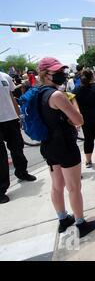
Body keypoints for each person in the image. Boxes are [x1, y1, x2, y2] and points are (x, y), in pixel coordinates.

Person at [37, 57, 95, 237]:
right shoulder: (57, 95)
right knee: (74, 187)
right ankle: (81, 224)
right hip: (64, 145)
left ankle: (63, 219)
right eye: (57, 72)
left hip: (48, 145)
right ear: (45, 74)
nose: (62, 74)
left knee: (57, 185)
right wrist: (72, 104)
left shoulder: (39, 93)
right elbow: (79, 120)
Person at [0, 71, 36, 204]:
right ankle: (1, 189)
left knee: (17, 148)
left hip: (10, 119)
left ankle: (22, 172)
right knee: (1, 157)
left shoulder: (5, 77)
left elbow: (11, 97)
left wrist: (18, 114)